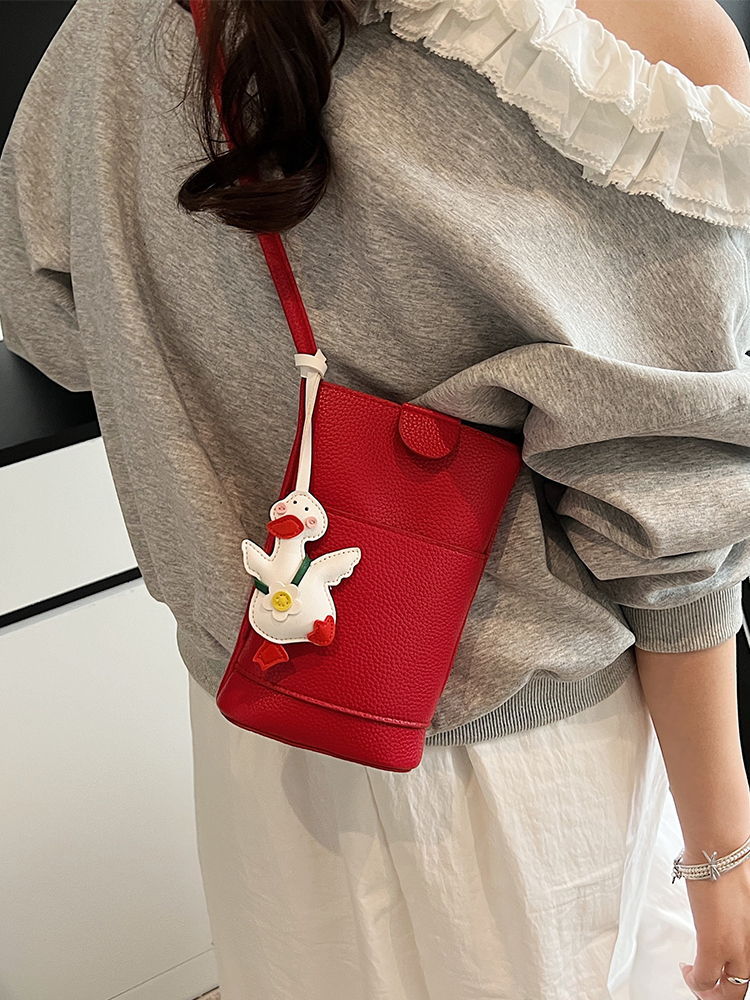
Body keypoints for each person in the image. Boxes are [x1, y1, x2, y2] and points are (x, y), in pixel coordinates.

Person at [1, 0, 750, 996]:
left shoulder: (105, 30)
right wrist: (722, 856)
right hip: (518, 781)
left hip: (258, 723)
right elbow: (672, 522)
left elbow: (46, 316)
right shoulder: (626, 47)